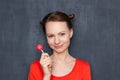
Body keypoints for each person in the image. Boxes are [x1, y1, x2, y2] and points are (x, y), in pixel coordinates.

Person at [28, 11, 91, 80]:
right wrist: (46, 76)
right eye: (51, 36)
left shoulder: (83, 68)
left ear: (70, 33)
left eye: (62, 34)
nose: (57, 41)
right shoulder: (35, 67)